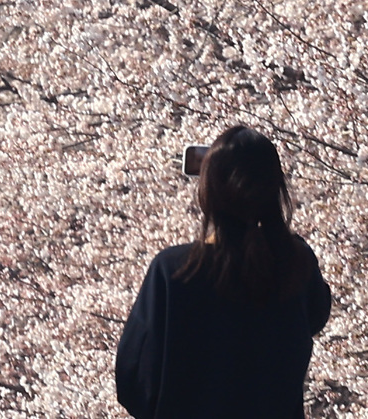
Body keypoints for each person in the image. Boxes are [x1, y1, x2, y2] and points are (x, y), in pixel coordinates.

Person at [115, 125, 332, 419]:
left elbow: (134, 377)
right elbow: (316, 317)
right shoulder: (296, 263)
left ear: (209, 189)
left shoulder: (175, 270)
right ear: (275, 189)